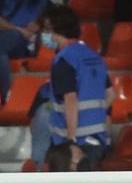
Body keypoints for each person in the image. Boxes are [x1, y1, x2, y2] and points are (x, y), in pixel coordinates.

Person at [41, 4, 113, 166]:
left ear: (53, 29)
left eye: (46, 29)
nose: (44, 34)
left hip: (74, 142)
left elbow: (70, 99)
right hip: (97, 137)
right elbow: (110, 94)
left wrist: (71, 139)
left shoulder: (64, 60)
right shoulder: (94, 56)